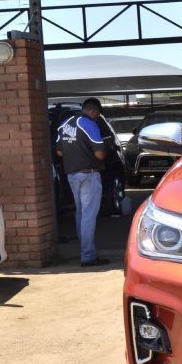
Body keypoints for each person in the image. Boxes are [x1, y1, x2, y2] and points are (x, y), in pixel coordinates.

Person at [56, 98, 109, 267]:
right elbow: (100, 154)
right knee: (88, 216)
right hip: (89, 175)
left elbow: (59, 152)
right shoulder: (89, 124)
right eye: (98, 115)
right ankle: (88, 256)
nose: (97, 118)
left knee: (80, 213)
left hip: (72, 175)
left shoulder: (65, 124)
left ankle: (85, 251)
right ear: (93, 111)